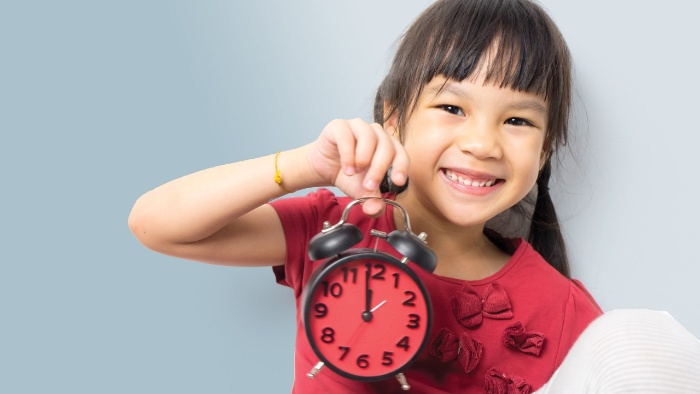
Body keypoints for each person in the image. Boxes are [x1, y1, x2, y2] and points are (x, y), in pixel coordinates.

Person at [129, 0, 605, 392]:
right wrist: (305, 167)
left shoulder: (567, 312)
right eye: (452, 107)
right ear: (394, 120)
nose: (482, 144)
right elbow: (156, 224)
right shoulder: (338, 228)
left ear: (544, 151)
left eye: (518, 120)